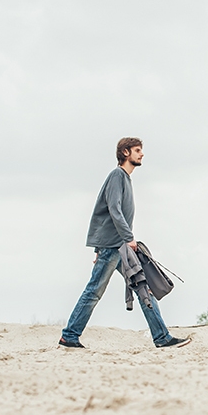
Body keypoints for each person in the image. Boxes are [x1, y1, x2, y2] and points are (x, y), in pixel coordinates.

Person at [59, 138, 188, 349]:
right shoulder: (117, 176)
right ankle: (69, 335)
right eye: (137, 150)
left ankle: (162, 337)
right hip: (114, 247)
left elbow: (110, 216)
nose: (142, 154)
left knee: (144, 288)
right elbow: (114, 210)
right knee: (94, 291)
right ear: (126, 152)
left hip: (119, 246)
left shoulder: (126, 179)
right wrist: (127, 239)